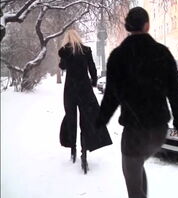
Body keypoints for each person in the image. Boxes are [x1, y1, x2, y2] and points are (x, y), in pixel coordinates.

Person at [96, 7, 178, 198]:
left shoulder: (118, 56)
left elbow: (111, 97)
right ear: (147, 25)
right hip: (158, 131)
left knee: (131, 172)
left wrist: (100, 121)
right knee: (137, 165)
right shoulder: (162, 53)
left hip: (134, 132)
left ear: (128, 27)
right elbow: (176, 92)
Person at [58, 29, 112, 174]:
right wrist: (93, 82)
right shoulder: (86, 50)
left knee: (71, 118)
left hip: (70, 89)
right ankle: (84, 153)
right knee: (86, 120)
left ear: (67, 38)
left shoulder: (65, 51)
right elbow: (92, 69)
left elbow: (62, 66)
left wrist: (65, 58)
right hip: (84, 89)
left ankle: (73, 149)